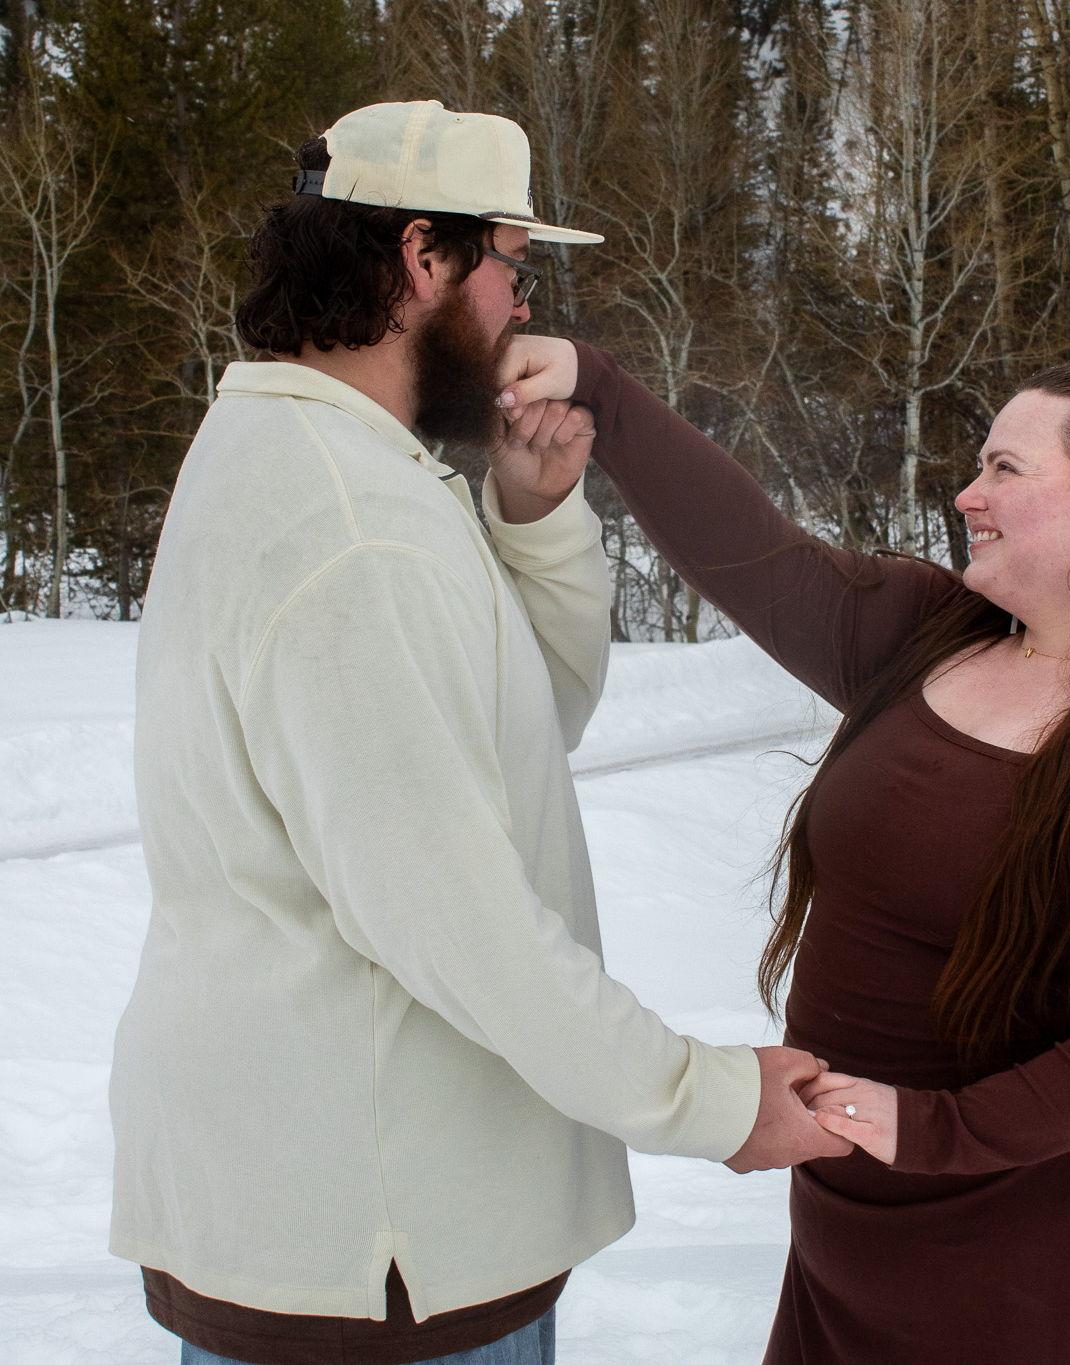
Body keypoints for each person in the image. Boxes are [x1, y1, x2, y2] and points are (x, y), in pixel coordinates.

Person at [108, 101, 848, 1365]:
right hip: (382, 1252)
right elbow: (457, 922)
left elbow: (521, 731)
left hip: (358, 1224)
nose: (521, 302)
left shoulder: (317, 454)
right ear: (421, 257)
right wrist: (715, 1102)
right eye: (509, 260)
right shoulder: (353, 530)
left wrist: (536, 515)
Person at [496, 336, 1070, 1363]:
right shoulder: (935, 632)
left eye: (1006, 468)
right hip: (865, 1222)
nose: (967, 494)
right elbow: (759, 558)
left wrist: (938, 1130)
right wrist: (599, 388)